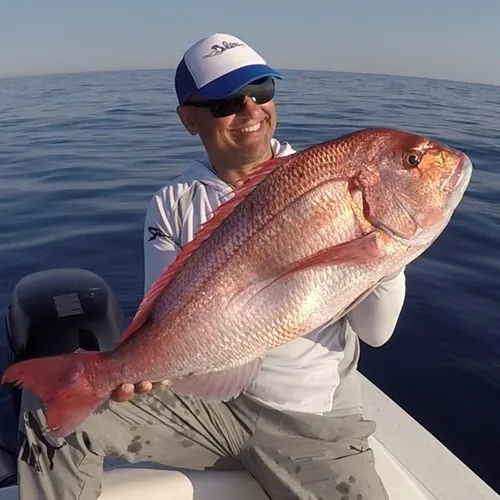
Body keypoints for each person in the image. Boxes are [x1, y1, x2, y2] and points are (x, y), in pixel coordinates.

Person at [16, 33, 406, 500]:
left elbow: (376, 333)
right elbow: (167, 325)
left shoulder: (324, 184)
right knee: (44, 410)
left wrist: (385, 258)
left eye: (261, 90)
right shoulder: (174, 203)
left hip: (311, 423)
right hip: (207, 409)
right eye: (225, 102)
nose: (251, 110)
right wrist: (129, 371)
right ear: (189, 119)